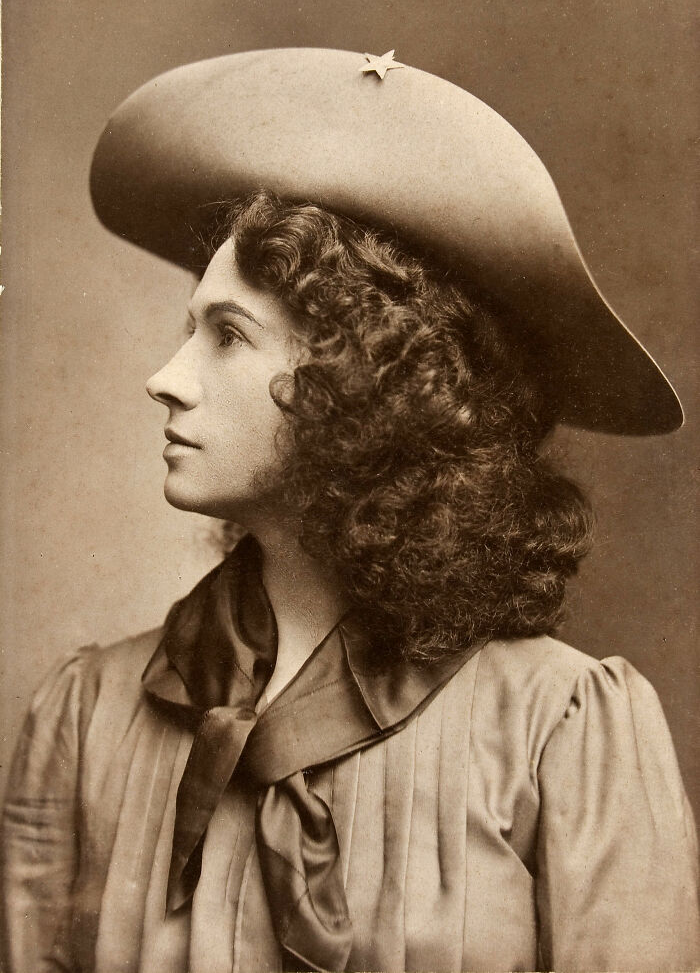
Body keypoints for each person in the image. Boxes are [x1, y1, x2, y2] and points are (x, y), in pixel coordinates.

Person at [2, 48, 698, 973]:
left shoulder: (559, 729)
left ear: (364, 382)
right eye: (187, 332)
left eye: (228, 336)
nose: (165, 381)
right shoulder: (87, 719)